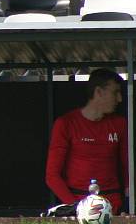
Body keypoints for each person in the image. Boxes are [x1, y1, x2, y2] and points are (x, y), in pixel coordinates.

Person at [45, 68, 128, 215]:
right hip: (77, 202)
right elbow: (52, 175)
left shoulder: (120, 124)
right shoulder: (66, 123)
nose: (120, 99)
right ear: (99, 92)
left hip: (112, 205)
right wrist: (76, 208)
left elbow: (128, 167)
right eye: (115, 93)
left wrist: (128, 204)